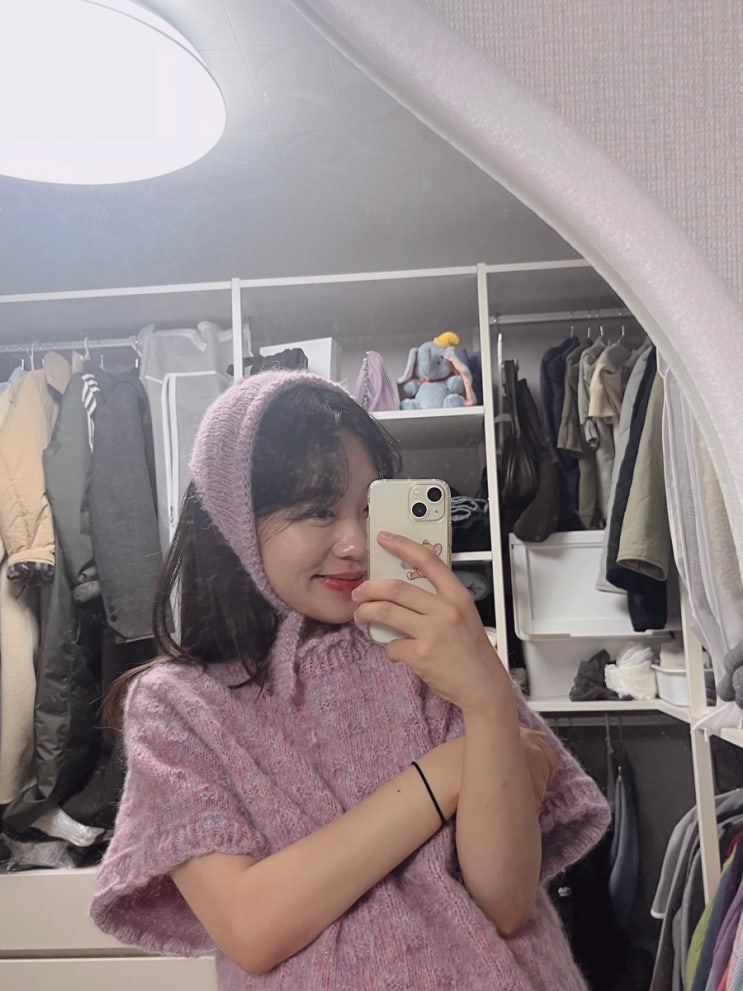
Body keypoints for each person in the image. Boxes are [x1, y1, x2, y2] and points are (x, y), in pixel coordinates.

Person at [91, 370, 610, 989]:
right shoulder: (177, 706)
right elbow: (252, 927)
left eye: (370, 507)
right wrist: (447, 773)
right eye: (318, 511)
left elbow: (504, 902)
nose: (356, 544)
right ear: (232, 524)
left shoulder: (431, 650)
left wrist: (488, 699)